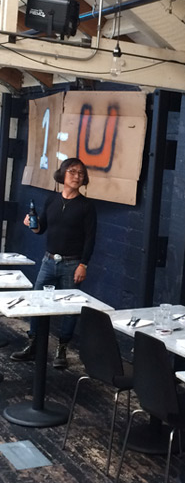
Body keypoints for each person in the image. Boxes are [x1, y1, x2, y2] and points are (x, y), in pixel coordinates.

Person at [11, 158, 96, 369]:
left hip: (72, 263)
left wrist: (83, 264)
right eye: (72, 172)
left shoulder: (86, 206)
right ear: (62, 174)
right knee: (36, 301)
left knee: (69, 307)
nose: (77, 176)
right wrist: (32, 225)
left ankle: (62, 349)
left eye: (81, 173)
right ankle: (33, 344)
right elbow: (41, 229)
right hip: (48, 261)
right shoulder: (52, 200)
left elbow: (90, 238)